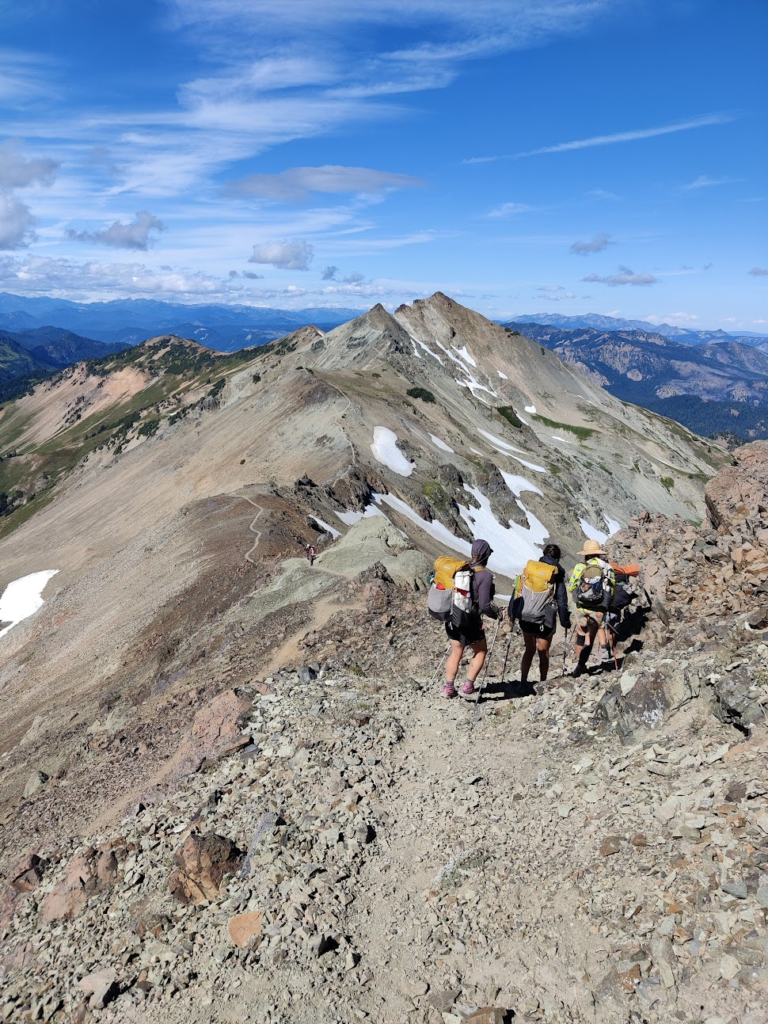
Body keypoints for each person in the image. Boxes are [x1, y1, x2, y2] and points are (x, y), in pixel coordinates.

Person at [442, 539, 503, 699]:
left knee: (457, 651)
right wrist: (496, 614)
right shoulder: (485, 576)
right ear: (486, 555)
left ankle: (448, 688)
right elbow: (484, 604)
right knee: (481, 650)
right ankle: (468, 687)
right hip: (470, 621)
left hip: (453, 617)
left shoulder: (461, 569)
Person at [513, 543, 570, 687]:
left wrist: (512, 613)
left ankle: (523, 681)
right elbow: (562, 601)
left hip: (526, 615)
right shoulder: (556, 573)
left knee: (529, 649)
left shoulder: (530, 570)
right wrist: (565, 621)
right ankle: (542, 682)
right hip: (545, 618)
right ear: (558, 558)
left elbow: (518, 589)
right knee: (543, 651)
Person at [567, 539, 616, 677]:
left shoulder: (580, 567)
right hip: (599, 609)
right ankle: (581, 665)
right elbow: (611, 589)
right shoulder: (607, 568)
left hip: (582, 607)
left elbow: (571, 587)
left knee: (581, 634)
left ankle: (579, 666)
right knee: (591, 638)